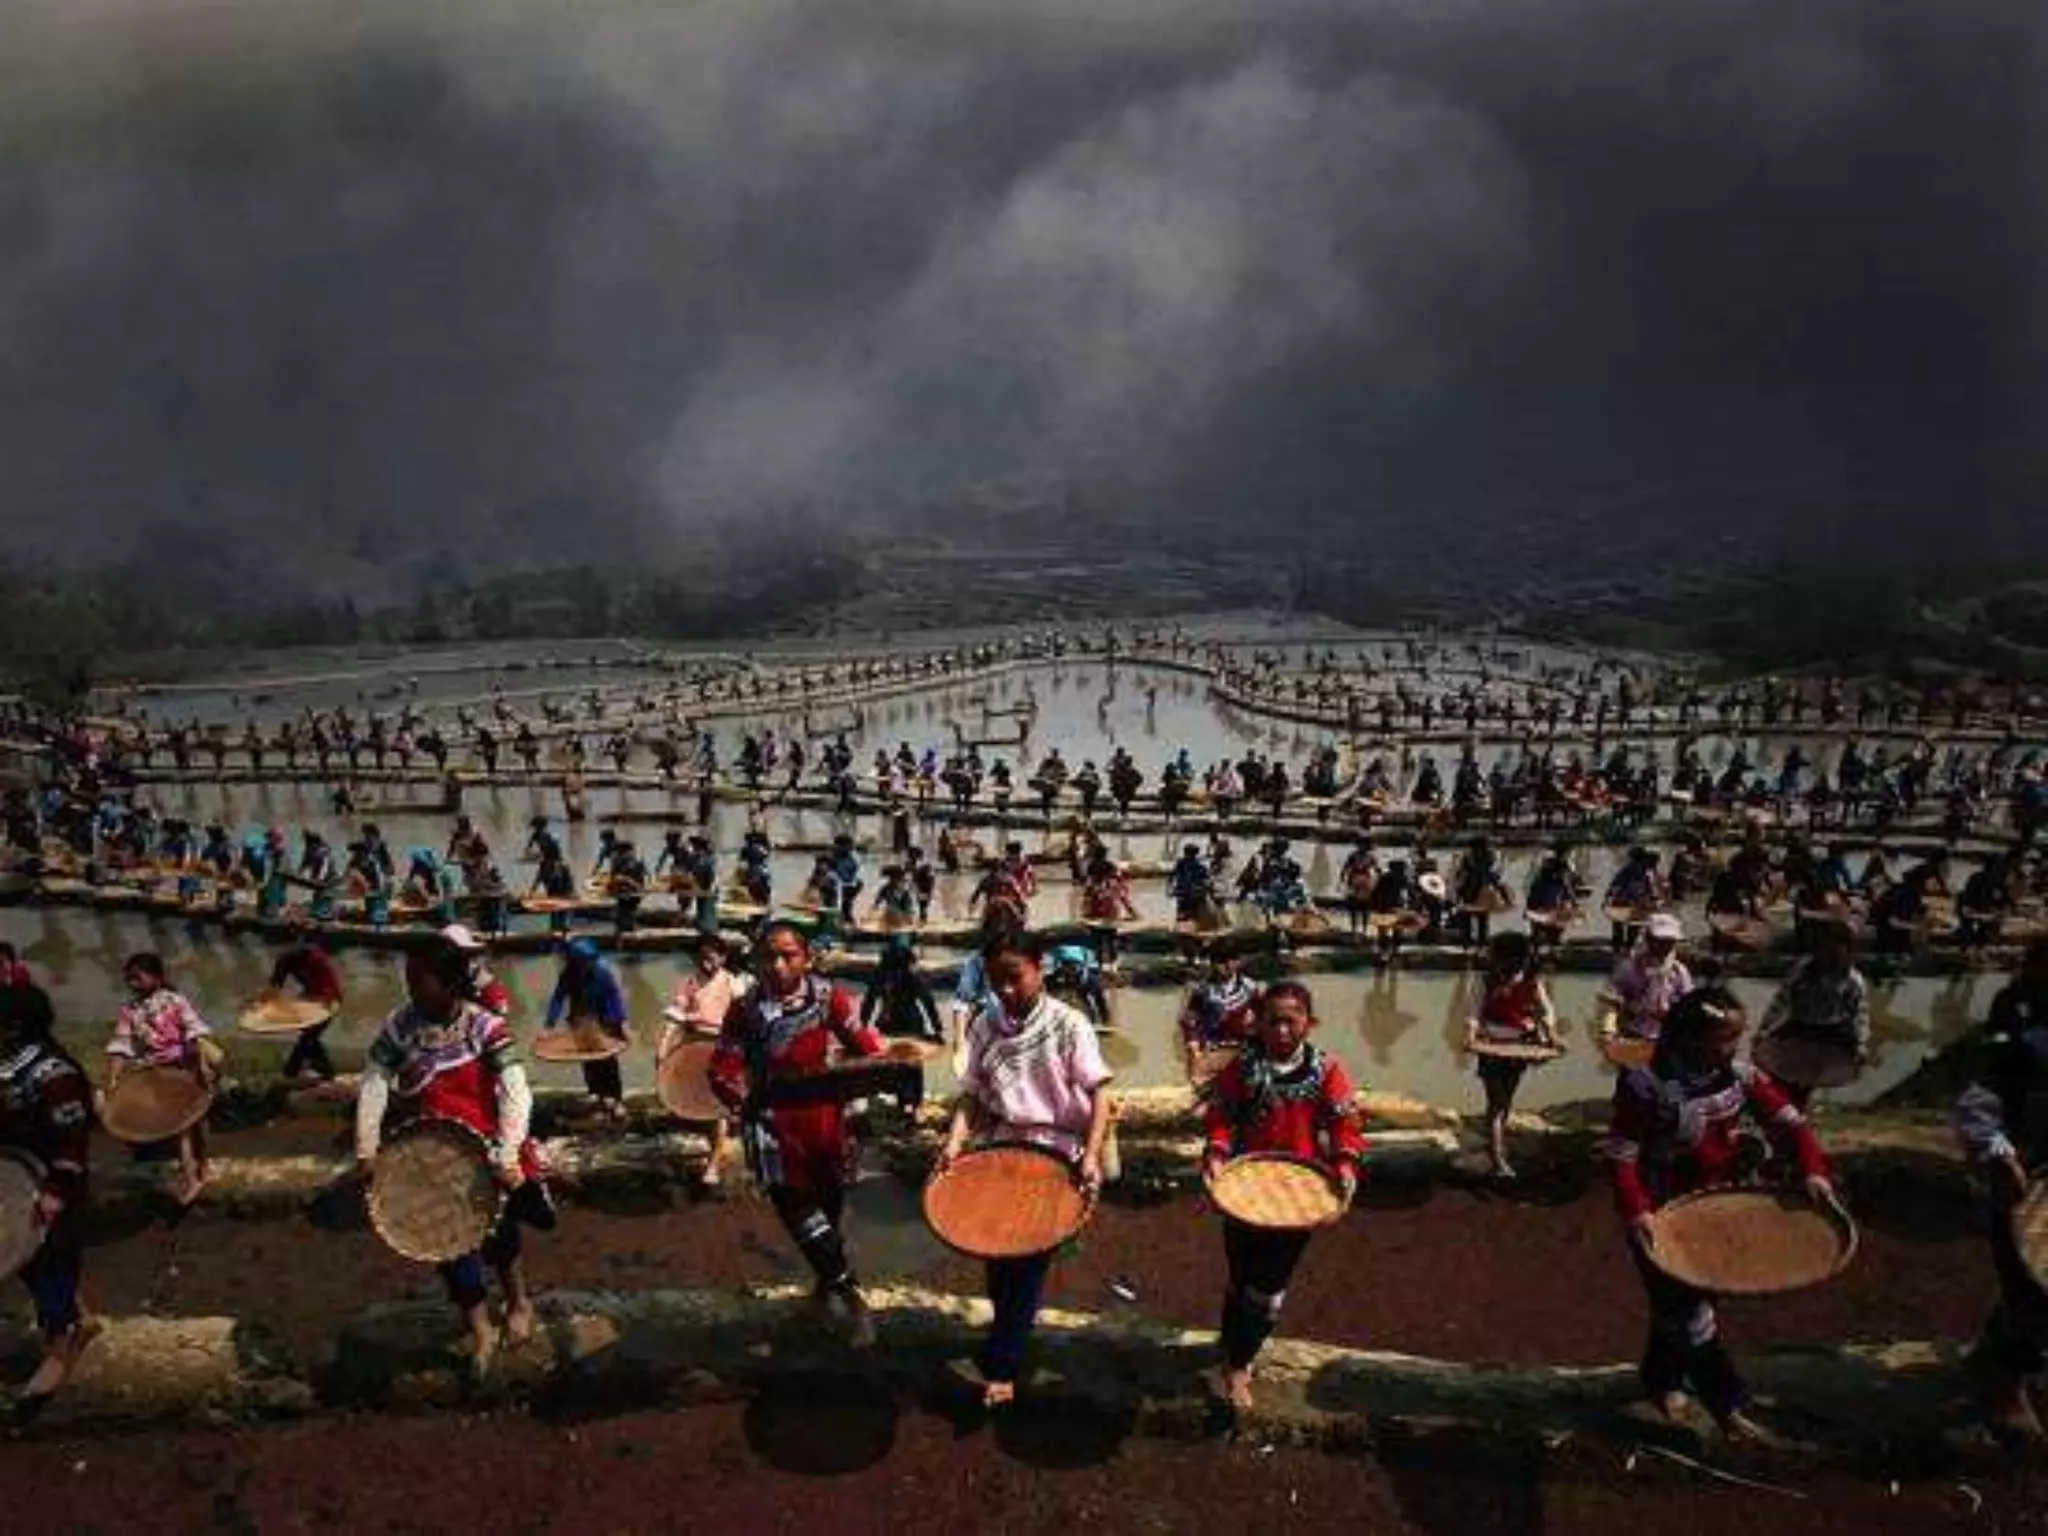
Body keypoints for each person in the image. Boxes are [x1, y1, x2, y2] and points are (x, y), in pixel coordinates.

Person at [1605, 985, 1837, 1442]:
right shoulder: (1645, 1085)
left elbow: (1790, 1123)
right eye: (1726, 1038)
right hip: (1662, 1215)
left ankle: (1662, 1380)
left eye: (1737, 1036)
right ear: (1693, 1039)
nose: (1735, 1046)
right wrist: (1639, 1213)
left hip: (1716, 1211)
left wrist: (1814, 1171)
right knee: (1690, 1315)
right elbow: (1621, 1157)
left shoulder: (1742, 1079)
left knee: (1685, 1305)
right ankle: (1728, 1407)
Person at [355, 936, 550, 1373]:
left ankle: (518, 1301)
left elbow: (515, 1089)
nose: (410, 990)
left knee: (499, 1235)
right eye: (407, 980)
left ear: (449, 984)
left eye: (418, 982)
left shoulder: (483, 1025)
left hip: (484, 1148)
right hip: (429, 1153)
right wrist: (366, 1147)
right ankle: (480, 1327)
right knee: (446, 1243)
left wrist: (508, 1149)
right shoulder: (401, 1026)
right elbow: (373, 1081)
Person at [936, 930, 1113, 1408]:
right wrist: (954, 1144)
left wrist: (1091, 1155)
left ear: (1040, 968)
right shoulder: (985, 1025)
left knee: (1028, 1263)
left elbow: (1099, 1094)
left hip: (1055, 1152)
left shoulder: (1068, 1023)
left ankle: (1003, 1367)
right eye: (996, 982)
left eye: (1015, 978)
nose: (1006, 991)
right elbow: (972, 1095)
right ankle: (1007, 1332)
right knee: (996, 1259)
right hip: (1001, 1150)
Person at [711, 922, 884, 1346]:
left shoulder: (830, 999)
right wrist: (731, 1088)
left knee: (827, 1212)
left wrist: (884, 1070)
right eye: (768, 956)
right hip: (771, 1125)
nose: (777, 964)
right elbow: (724, 1063)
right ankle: (853, 1298)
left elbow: (866, 1046)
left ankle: (825, 1290)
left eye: (788, 955)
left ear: (806, 957)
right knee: (799, 1215)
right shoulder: (744, 1009)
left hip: (825, 1123)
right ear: (754, 961)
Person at [1200, 981, 1362, 1412]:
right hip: (1245, 1190)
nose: (1283, 1031)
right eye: (1274, 1021)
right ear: (1260, 1023)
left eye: (1292, 1021)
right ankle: (1231, 1342)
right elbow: (1220, 1116)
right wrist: (1216, 1154)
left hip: (1298, 1196)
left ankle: (1239, 1363)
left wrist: (1345, 1165)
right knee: (1239, 1276)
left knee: (1268, 1287)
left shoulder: (1326, 1071)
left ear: (1310, 1023)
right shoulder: (1245, 1066)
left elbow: (1345, 1124)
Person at [1954, 937, 2048, 1439]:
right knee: (2032, 1289)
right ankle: (2005, 1385)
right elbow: (1976, 1106)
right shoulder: (2025, 1048)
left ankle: (1994, 1352)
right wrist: (1998, 1150)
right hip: (2027, 1190)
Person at [0, 979, 97, 1412]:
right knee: (20, 1260)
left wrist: (55, 1192)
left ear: (16, 1026)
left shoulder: (55, 1076)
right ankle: (80, 1315)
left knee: (49, 1265)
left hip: (53, 1182)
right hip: (13, 1176)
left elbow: (72, 1140)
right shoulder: (7, 1062)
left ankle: (63, 1344)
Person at [105, 953, 217, 1207]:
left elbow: (194, 1031)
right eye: (130, 979)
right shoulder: (130, 1011)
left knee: (193, 1123)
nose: (133, 983)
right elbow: (121, 1045)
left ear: (157, 977)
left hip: (184, 1070)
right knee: (180, 1128)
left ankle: (201, 1169)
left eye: (138, 977)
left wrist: (201, 1064)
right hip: (156, 1073)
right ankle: (193, 1176)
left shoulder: (175, 1002)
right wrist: (113, 1078)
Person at [1464, 931, 1559, 1179]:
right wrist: (1471, 1035)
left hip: (1519, 1045)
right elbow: (1473, 1011)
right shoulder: (1485, 981)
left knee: (1505, 1100)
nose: (1506, 966)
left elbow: (1546, 1011)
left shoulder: (1531, 982)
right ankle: (1498, 1159)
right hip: (1493, 1045)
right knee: (1496, 1102)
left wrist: (1550, 1034)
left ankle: (1497, 1146)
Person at [1753, 918, 1871, 1109]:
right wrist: (1764, 1030)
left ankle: (1797, 1112)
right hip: (1800, 1030)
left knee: (1806, 1084)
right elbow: (1781, 1002)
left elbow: (1859, 1014)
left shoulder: (1852, 980)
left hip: (1834, 1034)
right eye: (1825, 948)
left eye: (1837, 949)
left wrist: (1861, 1043)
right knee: (1784, 1079)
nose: (1829, 954)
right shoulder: (1802, 972)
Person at [658, 933, 743, 1188]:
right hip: (691, 1044)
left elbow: (744, 1022)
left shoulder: (734, 985)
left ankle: (714, 1163)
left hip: (720, 1046)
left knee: (716, 1106)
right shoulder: (690, 983)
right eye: (700, 959)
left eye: (710, 958)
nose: (705, 964)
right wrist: (663, 1045)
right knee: (691, 1094)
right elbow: (675, 1015)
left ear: (723, 957)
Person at [544, 938, 630, 1122]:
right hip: (580, 1020)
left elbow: (614, 1001)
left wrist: (619, 1026)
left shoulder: (602, 974)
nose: (587, 964)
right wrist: (549, 1025)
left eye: (590, 961)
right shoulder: (568, 974)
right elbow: (558, 998)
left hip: (604, 1020)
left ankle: (614, 1098)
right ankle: (595, 1093)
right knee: (588, 1059)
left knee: (608, 1062)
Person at [1598, 913, 1693, 1049]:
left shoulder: (1679, 971)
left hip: (1667, 1035)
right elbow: (1611, 1002)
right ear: (1649, 938)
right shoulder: (1628, 969)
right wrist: (1608, 1030)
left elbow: (1689, 1004)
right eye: (1660, 941)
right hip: (1632, 1033)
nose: (1664, 946)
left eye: (1669, 941)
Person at [268, 936, 345, 1083]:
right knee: (309, 1038)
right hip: (310, 995)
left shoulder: (316, 959)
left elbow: (330, 990)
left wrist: (314, 1007)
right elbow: (275, 986)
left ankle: (294, 1071)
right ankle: (310, 1069)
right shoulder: (284, 961)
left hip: (329, 998)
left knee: (309, 1037)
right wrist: (264, 1003)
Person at [1178, 946, 1261, 1082]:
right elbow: (1189, 1022)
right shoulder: (1202, 991)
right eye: (1221, 961)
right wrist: (1193, 1047)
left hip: (1243, 1047)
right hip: (1212, 1047)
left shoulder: (1249, 987)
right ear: (1213, 964)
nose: (1227, 965)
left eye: (1232, 960)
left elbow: (1264, 1018)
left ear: (1238, 962)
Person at [861, 935, 945, 1044]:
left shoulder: (883, 972)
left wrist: (862, 1026)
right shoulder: (908, 973)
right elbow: (927, 1001)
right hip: (904, 1023)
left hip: (896, 1023)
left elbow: (869, 1001)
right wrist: (937, 1028)